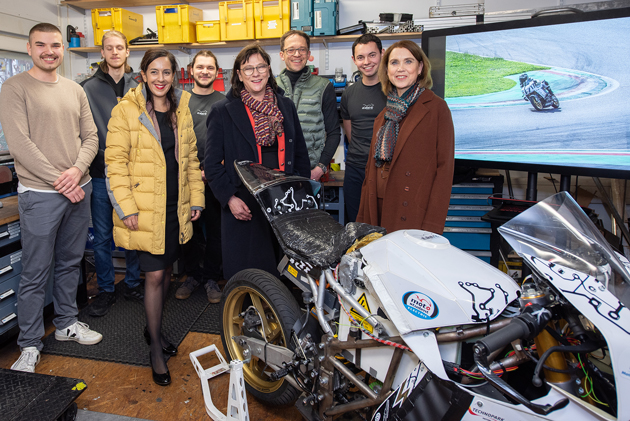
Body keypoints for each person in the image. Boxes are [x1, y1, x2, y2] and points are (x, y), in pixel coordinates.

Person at [0, 23, 102, 373]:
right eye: (41, 45)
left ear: (62, 49)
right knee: (34, 271)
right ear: (29, 48)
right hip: (41, 194)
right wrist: (63, 180)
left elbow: (90, 136)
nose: (49, 51)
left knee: (71, 264)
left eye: (55, 45)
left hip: (79, 186)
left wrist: (77, 171)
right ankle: (29, 344)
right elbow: (20, 145)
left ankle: (65, 325)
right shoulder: (14, 88)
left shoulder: (75, 89)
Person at [105, 49, 204, 386]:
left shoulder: (182, 111)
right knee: (155, 275)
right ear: (143, 75)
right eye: (154, 72)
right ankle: (155, 351)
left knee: (167, 274)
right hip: (145, 207)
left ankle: (155, 331)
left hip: (175, 206)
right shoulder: (125, 111)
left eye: (167, 72)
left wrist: (197, 200)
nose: (161, 79)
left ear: (174, 76)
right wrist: (126, 207)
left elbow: (190, 160)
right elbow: (115, 164)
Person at [205, 43, 310, 280]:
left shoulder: (285, 106)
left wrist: (302, 194)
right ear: (239, 75)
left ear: (269, 70)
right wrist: (230, 199)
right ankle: (248, 315)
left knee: (285, 270)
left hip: (285, 201)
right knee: (251, 273)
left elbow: (300, 154)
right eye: (248, 69)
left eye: (261, 67)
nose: (256, 73)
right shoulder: (222, 110)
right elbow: (211, 164)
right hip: (246, 204)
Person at [356, 40, 455, 235]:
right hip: (378, 210)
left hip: (413, 213)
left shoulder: (436, 108)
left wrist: (432, 228)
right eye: (394, 63)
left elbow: (444, 171)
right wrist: (363, 221)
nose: (400, 69)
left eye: (408, 62)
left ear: (420, 68)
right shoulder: (383, 116)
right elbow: (370, 176)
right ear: (387, 70)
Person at [81, 30, 143, 317]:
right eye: (109, 48)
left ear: (127, 51)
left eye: (120, 47)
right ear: (102, 53)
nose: (115, 52)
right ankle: (106, 289)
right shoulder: (87, 89)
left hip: (134, 174)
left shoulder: (140, 85)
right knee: (103, 235)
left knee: (132, 230)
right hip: (100, 172)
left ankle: (132, 283)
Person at [175, 50, 224, 304]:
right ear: (191, 70)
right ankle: (192, 275)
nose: (205, 71)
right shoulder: (180, 101)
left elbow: (229, 143)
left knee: (216, 230)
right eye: (200, 67)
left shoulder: (224, 102)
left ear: (217, 72)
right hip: (186, 178)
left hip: (215, 177)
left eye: (210, 67)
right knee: (189, 228)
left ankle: (211, 278)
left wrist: (211, 169)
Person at [276, 30, 340, 182]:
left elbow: (334, 133)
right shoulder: (271, 87)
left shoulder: (323, 86)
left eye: (302, 49)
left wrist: (320, 168)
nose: (297, 54)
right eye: (291, 49)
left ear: (308, 53)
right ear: (282, 55)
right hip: (278, 173)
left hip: (310, 173)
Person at [340, 34, 387, 223]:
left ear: (382, 54)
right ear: (354, 60)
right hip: (355, 169)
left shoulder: (393, 91)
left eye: (372, 55)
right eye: (360, 57)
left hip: (384, 169)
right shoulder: (348, 94)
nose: (366, 62)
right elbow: (350, 133)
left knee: (384, 226)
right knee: (357, 225)